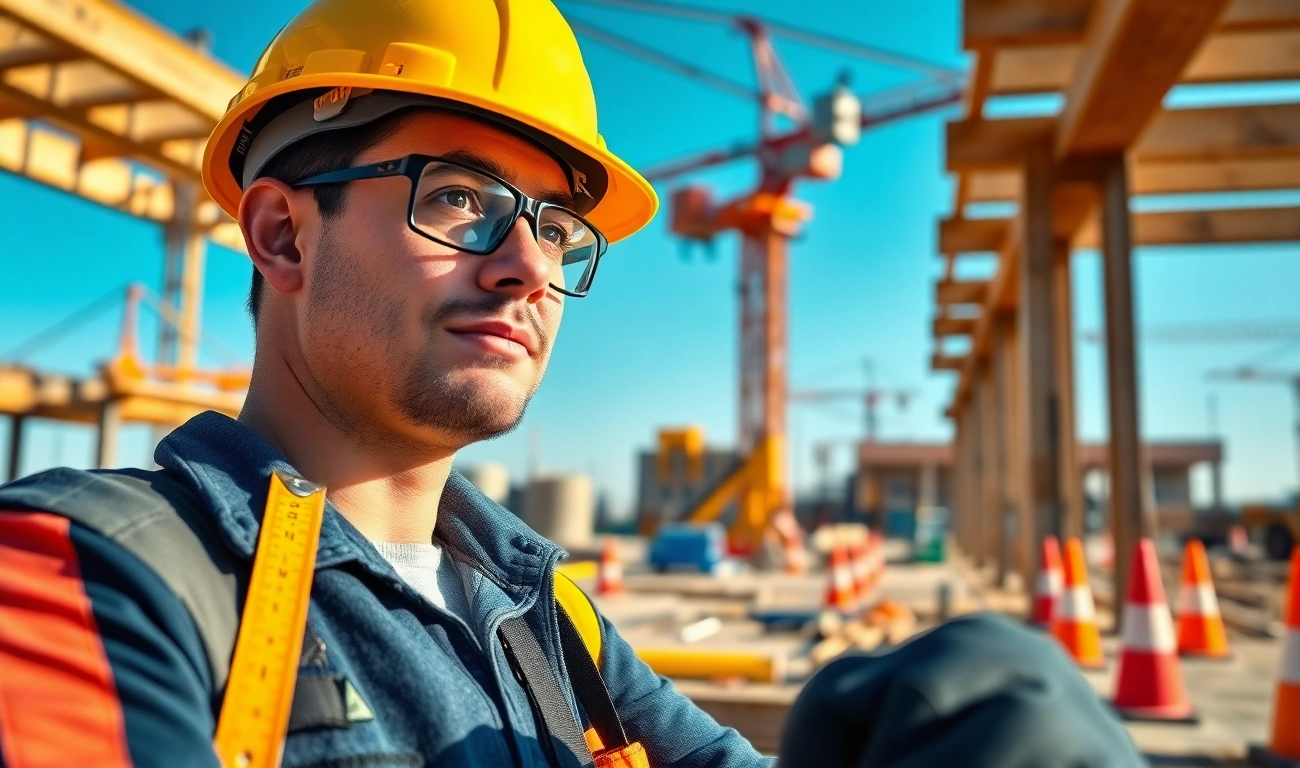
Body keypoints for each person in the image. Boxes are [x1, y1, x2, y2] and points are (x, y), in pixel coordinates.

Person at [0, 1, 1143, 766]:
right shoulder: (82, 580)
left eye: (557, 227)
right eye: (458, 198)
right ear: (284, 238)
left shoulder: (549, 620)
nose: (530, 267)